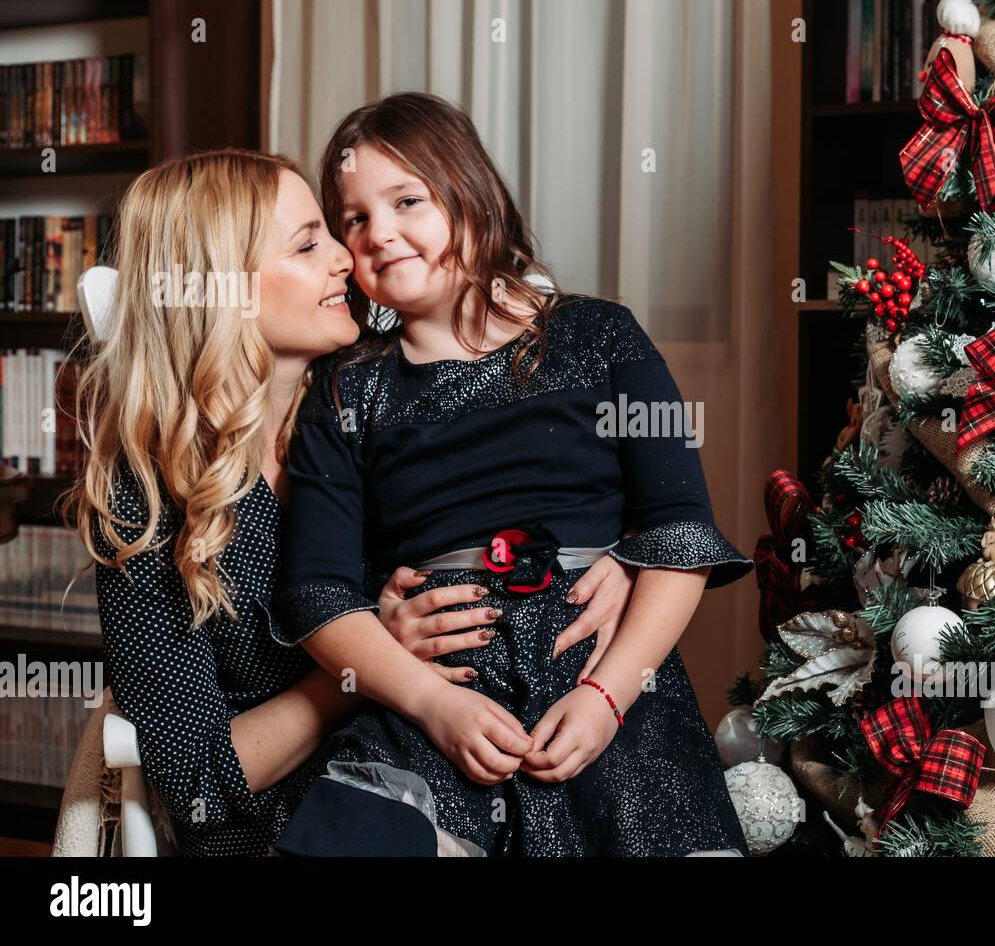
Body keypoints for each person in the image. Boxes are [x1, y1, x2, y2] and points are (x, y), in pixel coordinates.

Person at [67, 148, 635, 855]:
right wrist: (367, 665)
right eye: (309, 244)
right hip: (291, 825)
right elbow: (197, 788)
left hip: (480, 773)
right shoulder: (144, 501)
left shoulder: (380, 401)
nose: (348, 255)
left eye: (332, 232)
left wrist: (615, 556)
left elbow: (547, 488)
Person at [272, 93, 753, 856]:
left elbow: (680, 533)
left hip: (601, 674)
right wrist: (431, 702)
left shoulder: (599, 336)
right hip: (438, 685)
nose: (380, 232)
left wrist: (606, 695)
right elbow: (317, 592)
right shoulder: (347, 388)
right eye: (354, 219)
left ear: (470, 192)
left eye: (406, 201)